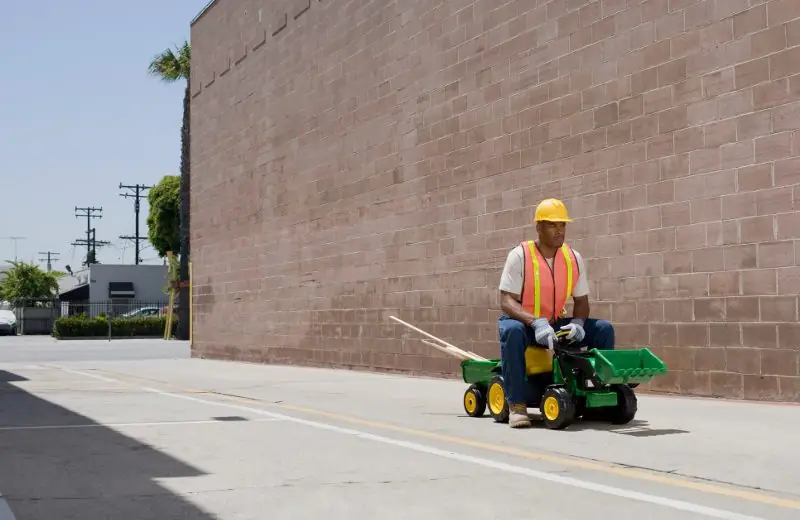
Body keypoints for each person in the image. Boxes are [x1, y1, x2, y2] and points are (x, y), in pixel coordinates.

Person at [497, 198, 615, 428]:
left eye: (563, 225)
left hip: (555, 323)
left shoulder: (573, 258)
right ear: (538, 227)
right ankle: (517, 405)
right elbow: (505, 300)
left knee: (603, 329)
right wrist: (535, 322)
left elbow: (581, 301)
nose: (559, 231)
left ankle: (598, 396)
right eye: (553, 225)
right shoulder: (520, 256)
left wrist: (579, 323)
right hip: (524, 324)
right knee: (511, 331)